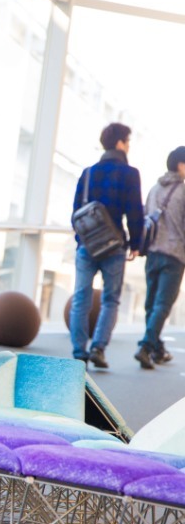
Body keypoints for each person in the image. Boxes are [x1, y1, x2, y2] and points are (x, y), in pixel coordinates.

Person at [69, 122, 144, 369]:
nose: (129, 147)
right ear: (120, 143)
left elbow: (76, 211)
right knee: (111, 299)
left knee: (81, 297)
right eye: (128, 142)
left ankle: (79, 351)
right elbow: (134, 211)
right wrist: (136, 243)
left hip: (87, 246)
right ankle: (98, 348)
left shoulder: (89, 172)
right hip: (114, 247)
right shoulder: (130, 174)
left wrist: (81, 240)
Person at [134, 146, 185, 369]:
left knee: (151, 304)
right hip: (174, 256)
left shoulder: (154, 189)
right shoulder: (183, 192)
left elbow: (145, 218)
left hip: (152, 253)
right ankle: (146, 347)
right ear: (181, 165)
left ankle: (156, 349)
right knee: (163, 305)